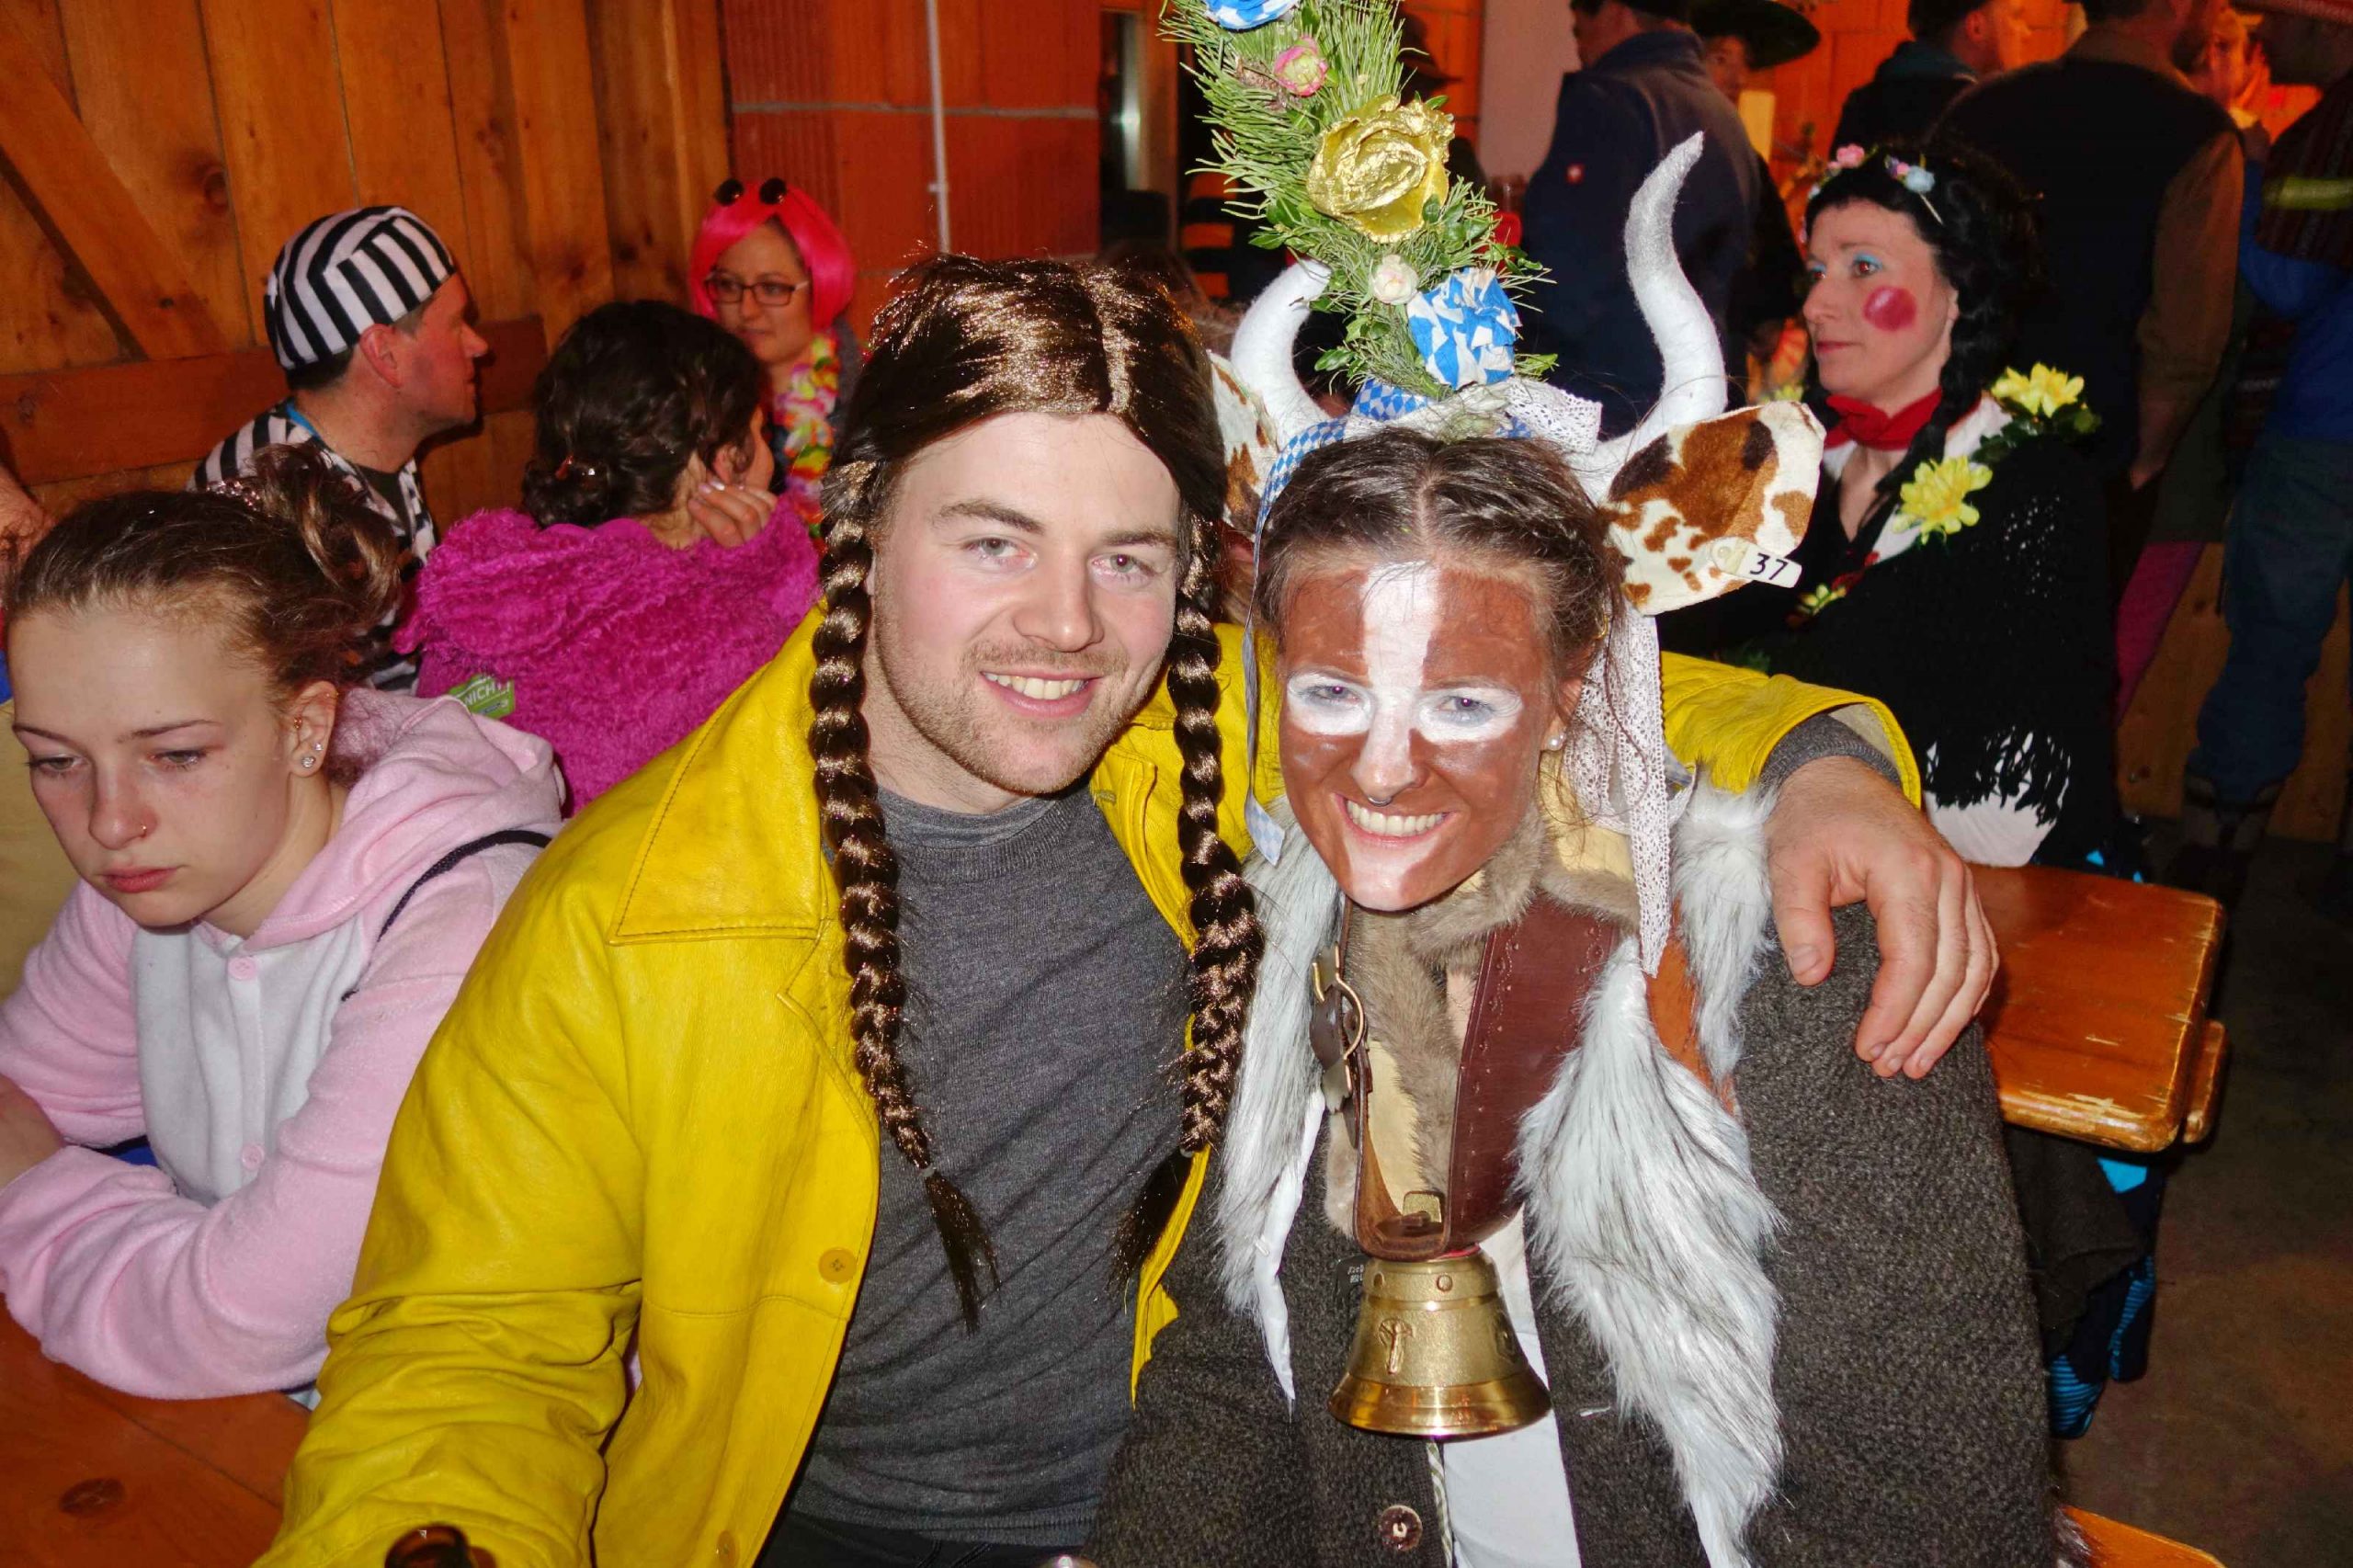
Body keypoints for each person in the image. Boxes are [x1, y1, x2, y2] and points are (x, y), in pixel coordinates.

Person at [259, 251, 1989, 1566]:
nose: (1067, 627)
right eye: (993, 542)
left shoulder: (1201, 737)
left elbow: (1507, 666)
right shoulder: (627, 913)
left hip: (1233, 1479)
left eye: (1131, 559)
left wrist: (1823, 762)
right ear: (856, 525)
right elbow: (468, 1346)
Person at [1086, 426, 2052, 1568]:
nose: (1382, 770)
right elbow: (1232, 1368)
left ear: (1567, 694)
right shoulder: (1286, 914)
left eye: (1460, 704)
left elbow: (1929, 1516)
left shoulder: (1787, 963)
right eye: (1332, 691)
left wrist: (1826, 759)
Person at [0, 448, 560, 1399]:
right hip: (267, 1426)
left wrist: (33, 1192)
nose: (108, 821)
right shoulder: (151, 881)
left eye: (176, 755)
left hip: (489, 1433)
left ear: (305, 728)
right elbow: (20, 1090)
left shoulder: (460, 922)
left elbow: (239, 1324)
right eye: (56, 761)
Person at [1699, 142, 2122, 870]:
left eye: (1863, 267)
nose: (1817, 305)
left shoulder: (2032, 491)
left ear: (1958, 291)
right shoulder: (1790, 464)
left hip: (1981, 891)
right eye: (1817, 271)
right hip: (1781, 857)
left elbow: (2013, 820)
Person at [398, 301, 820, 809]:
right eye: (760, 432)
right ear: (723, 463)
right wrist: (779, 573)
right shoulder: (726, 643)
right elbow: (818, 757)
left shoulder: (479, 592)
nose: (773, 456)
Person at [1939, 0, 2243, 593]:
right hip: (2091, 457)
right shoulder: (2197, 135)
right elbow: (2185, 338)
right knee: (2054, 640)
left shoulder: (1980, 108)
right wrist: (2143, 464)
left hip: (1953, 442)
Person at [2176, 0, 2353, 913]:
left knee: (2270, 653)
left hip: (2326, 429)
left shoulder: (2336, 127)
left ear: (2332, 27)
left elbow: (2288, 277)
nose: (2265, 40)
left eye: (2277, 19)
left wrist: (2238, 181)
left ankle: (2211, 875)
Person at [193, 207, 491, 691]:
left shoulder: (372, 451)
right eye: (457, 324)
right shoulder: (269, 500)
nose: (479, 345)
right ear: (385, 354)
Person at [1521, 0, 1760, 433]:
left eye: (1579, 30)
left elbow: (1564, 280)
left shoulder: (1609, 99)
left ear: (1616, 10)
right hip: (1701, 392)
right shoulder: (1725, 114)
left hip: (1609, 403)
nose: (1580, 48)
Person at [689, 176, 858, 536]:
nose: (747, 310)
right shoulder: (686, 411)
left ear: (820, 287)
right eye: (729, 285)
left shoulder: (875, 405)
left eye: (771, 288)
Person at [1694, 0, 1820, 376]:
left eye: (1744, 63)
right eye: (1721, 59)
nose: (1739, 78)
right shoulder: (1666, 148)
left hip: (1729, 345)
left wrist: (1770, 313)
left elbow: (1772, 241)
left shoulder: (1742, 156)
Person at [1835, 0, 2029, 150]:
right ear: (1976, 27)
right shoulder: (1990, 117)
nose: (2026, 33)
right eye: (2016, 17)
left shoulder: (1862, 105)